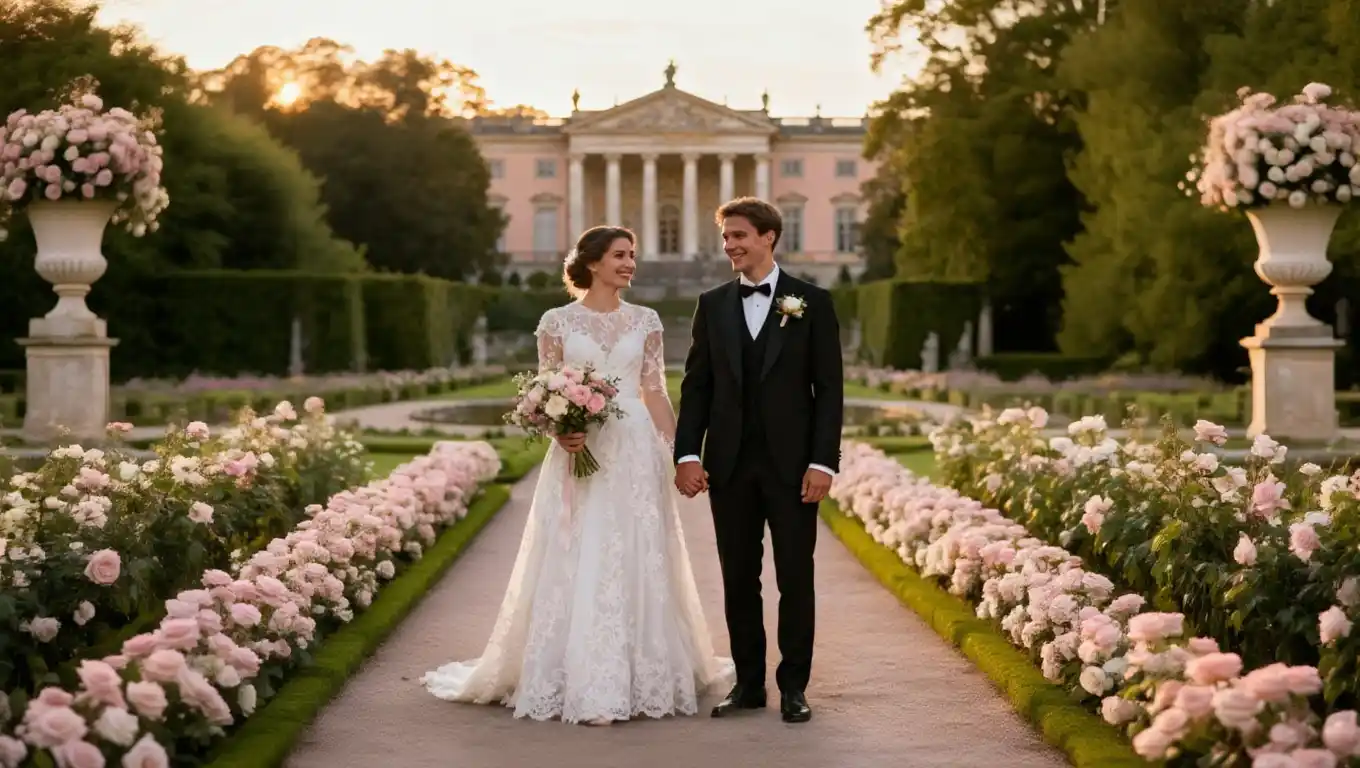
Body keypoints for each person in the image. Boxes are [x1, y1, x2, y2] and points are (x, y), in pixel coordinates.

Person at [421, 225, 732, 726]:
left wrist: (679, 454)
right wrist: (560, 432)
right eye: (619, 255)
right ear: (591, 262)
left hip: (634, 450)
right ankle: (583, 678)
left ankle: (640, 673)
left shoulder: (646, 319)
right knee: (577, 550)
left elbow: (654, 392)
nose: (630, 264)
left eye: (633, 255)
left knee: (639, 551)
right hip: (579, 451)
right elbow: (544, 393)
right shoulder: (556, 322)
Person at [673, 197, 844, 724]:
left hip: (794, 469)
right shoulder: (713, 302)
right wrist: (686, 453)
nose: (731, 246)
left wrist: (823, 463)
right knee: (738, 578)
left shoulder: (811, 301)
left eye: (739, 236)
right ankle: (748, 685)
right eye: (726, 237)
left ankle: (794, 686)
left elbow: (829, 390)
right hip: (728, 467)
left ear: (769, 236)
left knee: (795, 577)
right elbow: (697, 385)